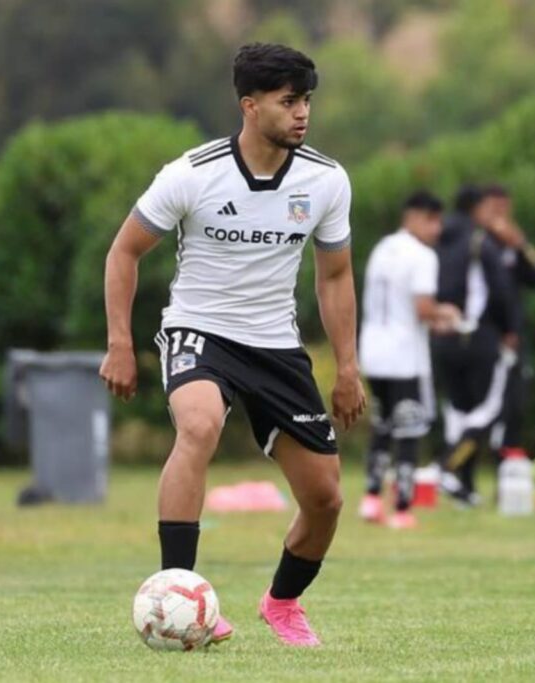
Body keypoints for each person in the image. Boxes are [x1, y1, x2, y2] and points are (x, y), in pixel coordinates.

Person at [99, 43, 365, 648]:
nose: (302, 114)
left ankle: (283, 603)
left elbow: (335, 276)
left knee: (325, 499)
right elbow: (124, 252)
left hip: (275, 344)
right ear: (249, 105)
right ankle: (182, 593)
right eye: (288, 101)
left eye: (307, 102)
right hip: (201, 330)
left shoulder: (326, 180)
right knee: (198, 427)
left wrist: (347, 366)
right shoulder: (192, 174)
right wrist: (119, 342)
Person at [357, 191, 460, 529]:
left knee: (383, 426)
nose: (438, 229)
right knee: (409, 429)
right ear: (415, 217)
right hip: (404, 355)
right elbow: (423, 309)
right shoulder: (421, 256)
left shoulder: (383, 248)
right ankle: (402, 507)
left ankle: (371, 499)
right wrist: (449, 315)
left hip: (373, 350)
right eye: (433, 220)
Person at [431, 185, 518, 507]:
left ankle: (463, 487)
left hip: (442, 336)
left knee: (459, 411)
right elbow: (500, 291)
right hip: (477, 337)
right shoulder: (480, 242)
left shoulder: (437, 240)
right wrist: (509, 329)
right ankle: (447, 466)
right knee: (488, 411)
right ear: (477, 209)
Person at [481, 185, 535, 463]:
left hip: (513, 336)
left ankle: (505, 470)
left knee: (514, 404)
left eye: (504, 208)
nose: (500, 214)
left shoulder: (513, 243)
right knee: (482, 407)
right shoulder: (476, 242)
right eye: (494, 208)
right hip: (483, 336)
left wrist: (520, 245)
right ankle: (462, 472)